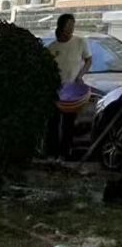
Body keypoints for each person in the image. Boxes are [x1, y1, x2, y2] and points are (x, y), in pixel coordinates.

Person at [48, 13, 93, 159]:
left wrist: (80, 76)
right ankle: (52, 153)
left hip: (72, 90)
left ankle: (65, 153)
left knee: (68, 122)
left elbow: (88, 60)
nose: (71, 28)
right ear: (61, 26)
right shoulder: (52, 47)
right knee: (53, 122)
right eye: (68, 25)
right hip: (56, 89)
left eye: (73, 25)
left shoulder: (80, 42)